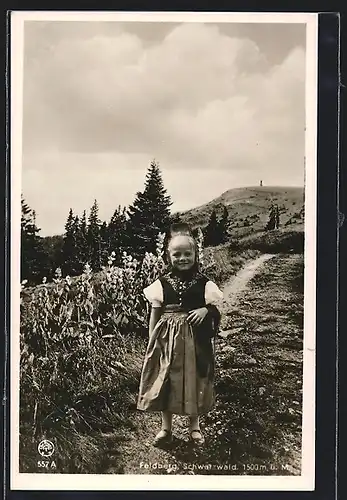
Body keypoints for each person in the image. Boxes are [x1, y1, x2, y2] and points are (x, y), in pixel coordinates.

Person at [137, 223, 223, 446]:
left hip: (195, 342)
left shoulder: (205, 284)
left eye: (188, 253)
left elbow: (215, 309)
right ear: (168, 257)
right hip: (167, 342)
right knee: (166, 380)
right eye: (177, 254)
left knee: (194, 379)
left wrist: (206, 310)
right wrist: (152, 340)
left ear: (196, 254)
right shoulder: (161, 285)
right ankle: (166, 429)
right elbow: (154, 315)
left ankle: (194, 427)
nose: (183, 258)